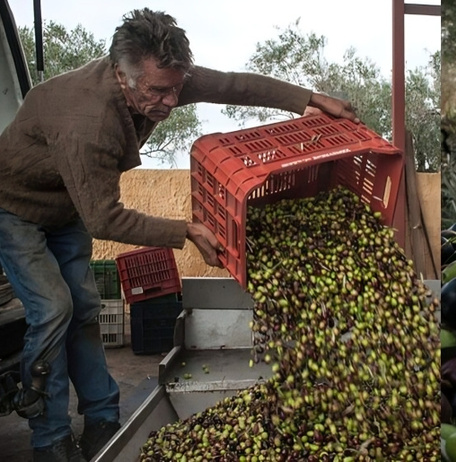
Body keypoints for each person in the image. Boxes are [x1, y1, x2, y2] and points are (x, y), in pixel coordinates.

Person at [0, 8, 358, 462]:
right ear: (122, 75)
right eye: (157, 92)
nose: (170, 102)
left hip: (66, 205)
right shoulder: (88, 122)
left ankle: (102, 418)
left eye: (175, 88)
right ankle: (49, 436)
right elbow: (105, 220)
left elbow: (233, 84)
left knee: (86, 309)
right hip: (15, 208)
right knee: (55, 309)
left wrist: (309, 99)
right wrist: (185, 230)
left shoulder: (165, 77)